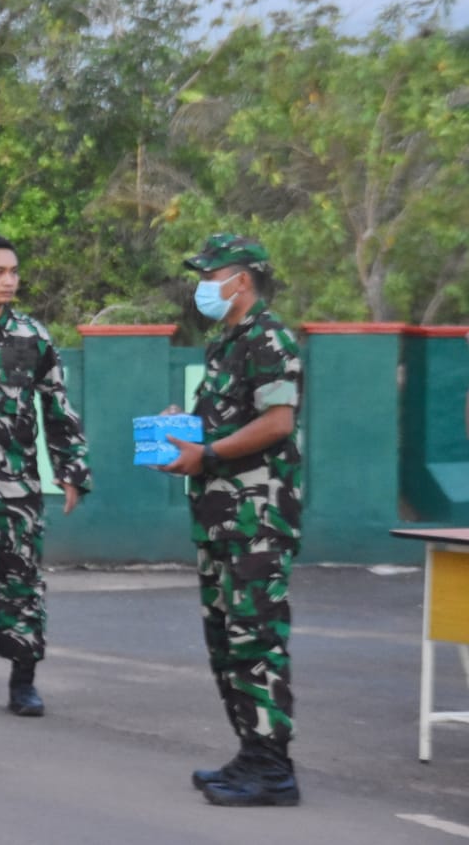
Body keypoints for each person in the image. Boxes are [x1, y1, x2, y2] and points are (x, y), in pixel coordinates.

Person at [161, 233, 303, 808]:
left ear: (239, 280)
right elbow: (226, 423)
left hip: (257, 519)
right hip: (220, 518)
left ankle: (273, 769)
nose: (202, 285)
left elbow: (276, 423)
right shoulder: (225, 343)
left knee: (257, 639)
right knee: (226, 640)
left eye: (210, 274)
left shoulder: (269, 338)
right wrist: (185, 430)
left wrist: (209, 455)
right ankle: (251, 751)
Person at [0, 234, 92, 717]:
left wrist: (71, 469)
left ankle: (23, 681)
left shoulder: (31, 336)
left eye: (14, 271)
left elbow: (58, 406)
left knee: (22, 581)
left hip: (18, 484)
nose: (9, 280)